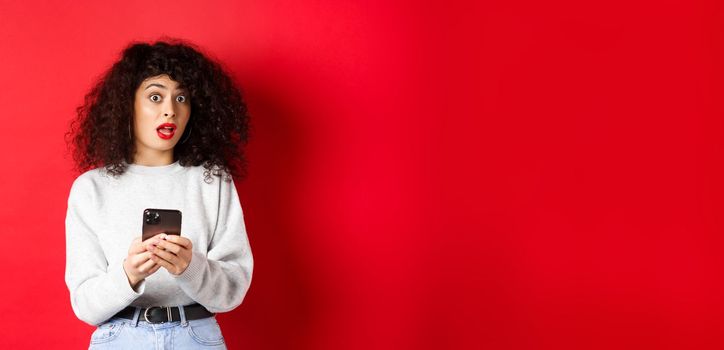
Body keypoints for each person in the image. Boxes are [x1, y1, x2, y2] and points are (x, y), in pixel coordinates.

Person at [64, 38, 253, 349]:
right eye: (155, 96)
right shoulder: (90, 189)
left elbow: (232, 291)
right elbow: (85, 306)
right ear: (128, 105)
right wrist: (128, 274)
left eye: (182, 98)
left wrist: (190, 267)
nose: (170, 111)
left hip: (197, 336)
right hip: (119, 338)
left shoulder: (212, 180)